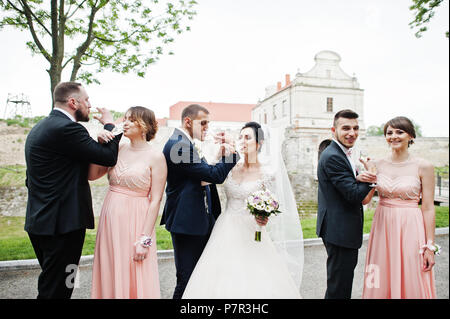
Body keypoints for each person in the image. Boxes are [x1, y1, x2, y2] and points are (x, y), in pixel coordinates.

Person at [182, 122, 303, 299]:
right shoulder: (230, 166)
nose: (242, 141)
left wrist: (265, 217)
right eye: (240, 137)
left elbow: (275, 204)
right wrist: (217, 156)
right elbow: (204, 181)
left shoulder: (267, 174)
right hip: (225, 229)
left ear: (259, 143)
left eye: (247, 138)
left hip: (253, 231)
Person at [24, 81, 121, 299]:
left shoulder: (42, 127)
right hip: (62, 225)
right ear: (73, 102)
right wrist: (110, 126)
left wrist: (96, 142)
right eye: (87, 100)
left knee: (58, 282)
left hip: (41, 221)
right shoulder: (67, 129)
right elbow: (108, 157)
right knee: (56, 290)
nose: (90, 105)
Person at [160, 104, 240, 299]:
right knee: (187, 278)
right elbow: (214, 175)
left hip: (197, 219)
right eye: (203, 123)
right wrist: (232, 155)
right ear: (188, 121)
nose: (206, 127)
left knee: (199, 277)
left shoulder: (185, 142)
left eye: (208, 123)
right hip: (187, 221)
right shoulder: (179, 145)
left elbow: (201, 174)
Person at [90, 106, 166, 299]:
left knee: (134, 269)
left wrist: (145, 239)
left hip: (136, 220)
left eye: (131, 120)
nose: (125, 123)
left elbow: (156, 199)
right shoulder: (118, 147)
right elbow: (92, 175)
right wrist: (99, 147)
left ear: (145, 126)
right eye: (125, 119)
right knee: (110, 267)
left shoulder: (156, 157)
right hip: (110, 219)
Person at [361, 116, 437, 299]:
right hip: (382, 226)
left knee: (412, 272)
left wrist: (429, 246)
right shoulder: (377, 165)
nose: (393, 136)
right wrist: (369, 175)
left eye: (399, 132)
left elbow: (428, 207)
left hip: (411, 227)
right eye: (389, 132)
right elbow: (365, 201)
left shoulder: (424, 166)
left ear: (410, 136)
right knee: (379, 272)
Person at [316, 109, 376, 299]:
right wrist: (372, 175)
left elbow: (347, 187)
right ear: (334, 129)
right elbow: (353, 195)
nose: (352, 133)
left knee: (339, 283)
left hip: (338, 228)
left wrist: (359, 178)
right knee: (339, 287)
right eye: (346, 128)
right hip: (339, 230)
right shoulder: (333, 156)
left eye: (356, 128)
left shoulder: (341, 153)